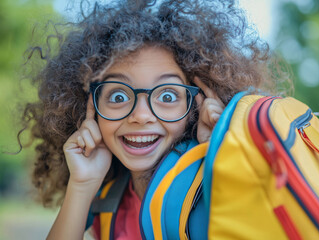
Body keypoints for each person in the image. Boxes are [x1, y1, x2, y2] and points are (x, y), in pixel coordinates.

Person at [19, 0, 285, 239]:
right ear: (90, 107)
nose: (141, 116)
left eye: (167, 96)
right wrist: (83, 184)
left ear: (195, 106)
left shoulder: (217, 189)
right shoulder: (108, 202)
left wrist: (220, 158)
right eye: (119, 96)